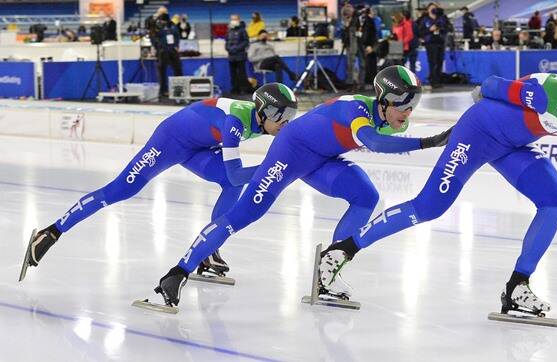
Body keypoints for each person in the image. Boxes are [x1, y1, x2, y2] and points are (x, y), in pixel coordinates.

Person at [321, 55, 557, 317]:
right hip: (477, 134)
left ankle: (518, 286)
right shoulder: (552, 94)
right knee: (429, 207)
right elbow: (490, 86)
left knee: (554, 199)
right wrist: (494, 102)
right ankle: (343, 249)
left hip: (513, 145)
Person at [149, 66, 451, 308]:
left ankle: (328, 272)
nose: (408, 113)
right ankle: (177, 273)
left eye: (414, 105)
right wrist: (429, 142)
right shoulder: (356, 108)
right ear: (383, 99)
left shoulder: (395, 120)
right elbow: (372, 141)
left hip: (322, 158)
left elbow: (371, 140)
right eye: (404, 104)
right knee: (246, 213)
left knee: (365, 196)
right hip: (290, 151)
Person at [20, 83, 299, 282]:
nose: (285, 123)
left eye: (290, 117)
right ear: (262, 111)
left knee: (231, 184)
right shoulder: (236, 122)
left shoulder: (262, 123)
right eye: (281, 117)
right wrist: (271, 168)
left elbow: (234, 177)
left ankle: (209, 251)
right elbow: (238, 173)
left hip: (199, 147)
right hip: (171, 141)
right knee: (120, 190)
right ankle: (51, 232)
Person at [420, 2, 449, 88]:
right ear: (428, 10)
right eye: (432, 8)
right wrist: (430, 30)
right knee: (433, 63)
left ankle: (438, 81)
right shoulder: (425, 20)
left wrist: (441, 28)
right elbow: (421, 32)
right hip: (430, 43)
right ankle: (433, 81)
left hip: (440, 42)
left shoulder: (441, 18)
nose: (433, 9)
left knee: (439, 62)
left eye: (435, 8)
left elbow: (446, 28)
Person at [154, 13, 183, 97]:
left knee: (178, 69)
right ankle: (163, 91)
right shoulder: (158, 27)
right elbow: (155, 38)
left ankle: (179, 90)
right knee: (162, 72)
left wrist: (176, 46)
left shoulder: (173, 26)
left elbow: (177, 36)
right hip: (163, 51)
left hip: (173, 50)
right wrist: (159, 48)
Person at [226, 14, 253, 95]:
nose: (233, 21)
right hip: (231, 56)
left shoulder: (243, 30)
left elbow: (246, 42)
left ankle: (243, 89)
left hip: (240, 56)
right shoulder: (229, 30)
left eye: (235, 19)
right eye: (232, 19)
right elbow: (227, 42)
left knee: (242, 73)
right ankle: (235, 89)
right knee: (233, 74)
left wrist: (236, 48)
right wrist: (228, 48)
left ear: (238, 20)